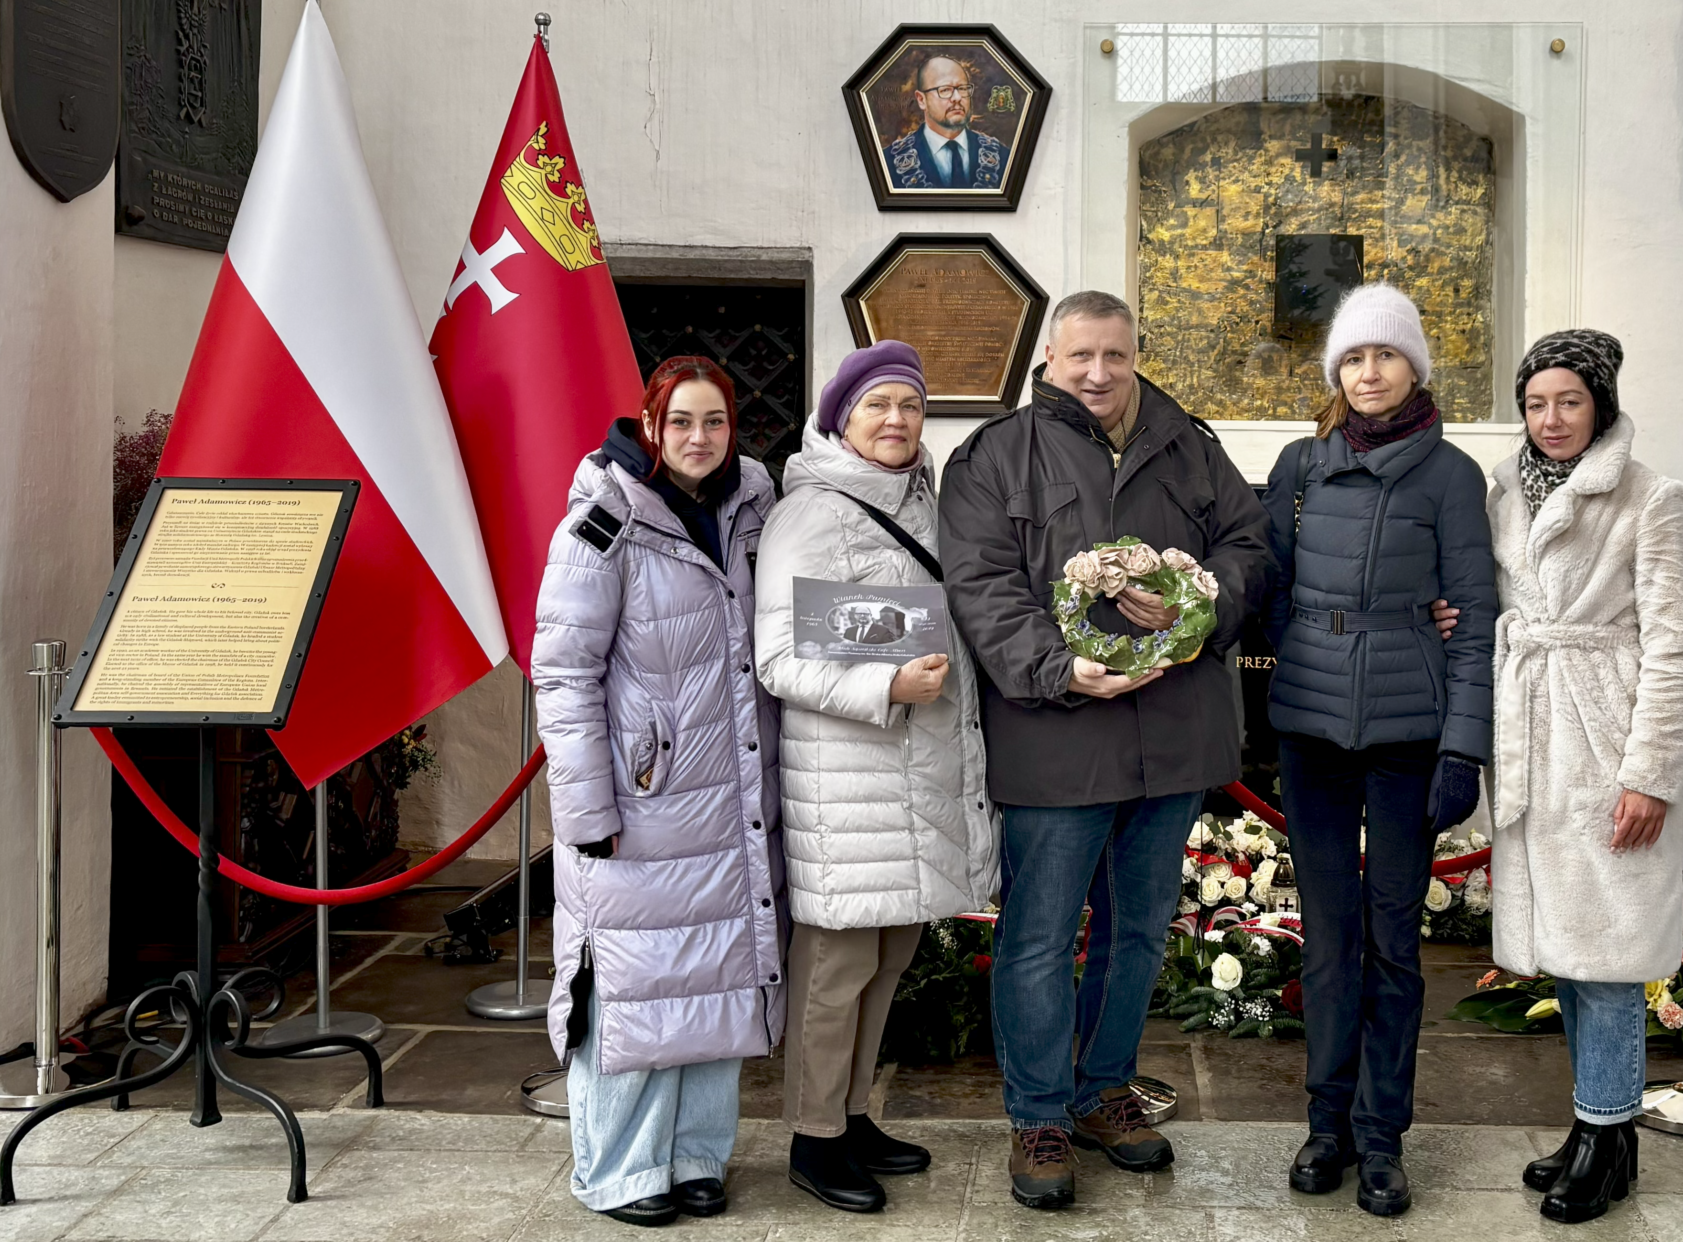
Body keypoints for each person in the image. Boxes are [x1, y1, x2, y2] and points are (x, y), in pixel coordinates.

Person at [940, 291, 1274, 1210]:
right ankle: (1040, 1113)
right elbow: (980, 584)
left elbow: (1249, 545)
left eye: (1115, 356)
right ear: (1049, 356)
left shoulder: (1190, 445)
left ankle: (1103, 1091)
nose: (1097, 373)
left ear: (1135, 356)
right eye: (1080, 355)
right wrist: (1057, 669)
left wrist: (1203, 605)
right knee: (1042, 936)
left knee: (1136, 930)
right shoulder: (994, 457)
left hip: (1173, 736)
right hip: (1057, 735)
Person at [1260, 285, 1498, 1218]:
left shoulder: (1449, 476)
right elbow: (1269, 583)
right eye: (1353, 359)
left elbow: (1473, 615)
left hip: (1408, 737)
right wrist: (1296, 662)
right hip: (1312, 732)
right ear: (1337, 372)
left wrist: (1462, 747)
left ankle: (1384, 1134)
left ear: (1414, 368)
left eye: (1385, 357)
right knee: (1327, 941)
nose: (1368, 374)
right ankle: (1327, 1125)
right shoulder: (1300, 466)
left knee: (1393, 943)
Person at [534, 355, 784, 1229]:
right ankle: (619, 1170)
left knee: (717, 976)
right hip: (640, 800)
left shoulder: (753, 507)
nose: (699, 438)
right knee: (635, 986)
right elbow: (562, 674)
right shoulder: (602, 524)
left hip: (729, 793)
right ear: (650, 425)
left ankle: (694, 1155)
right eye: (681, 421)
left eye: (714, 421)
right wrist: (585, 810)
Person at [753, 341, 998, 1214]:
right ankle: (813, 1139)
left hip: (913, 770)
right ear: (840, 418)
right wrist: (885, 683)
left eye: (909, 405)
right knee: (838, 964)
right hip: (847, 781)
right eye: (877, 406)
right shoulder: (812, 512)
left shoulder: (926, 501)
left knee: (890, 954)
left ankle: (853, 1114)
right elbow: (778, 656)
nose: (896, 421)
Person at [1487, 330, 1683, 1224]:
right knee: (1570, 953)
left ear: (1602, 403)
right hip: (1536, 736)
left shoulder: (1655, 499)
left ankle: (1611, 1138)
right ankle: (1591, 1127)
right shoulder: (1503, 490)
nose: (1551, 420)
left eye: (1569, 402)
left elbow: (1680, 647)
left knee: (1609, 955)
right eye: (1536, 403)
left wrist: (1651, 774)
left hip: (1606, 737)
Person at [882, 55, 1008, 190]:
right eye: (945, 90)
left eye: (963, 88)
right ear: (921, 100)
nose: (957, 98)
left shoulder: (1002, 158)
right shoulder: (888, 164)